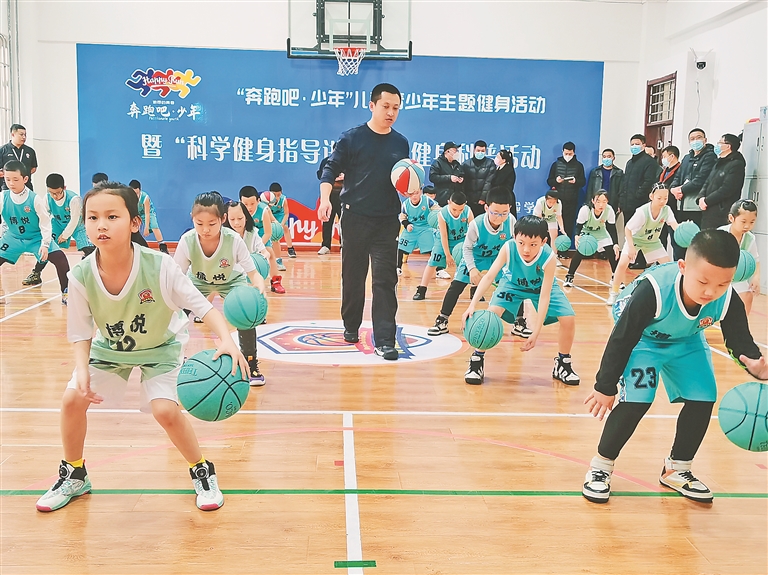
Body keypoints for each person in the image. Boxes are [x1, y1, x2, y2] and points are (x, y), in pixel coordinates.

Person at [35, 182, 250, 513]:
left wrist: (227, 340)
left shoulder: (160, 266)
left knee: (165, 411)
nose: (101, 225)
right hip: (110, 349)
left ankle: (202, 469)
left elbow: (203, 307)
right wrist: (81, 369)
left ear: (135, 222)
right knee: (72, 400)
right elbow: (80, 331)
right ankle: (74, 474)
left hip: (160, 347)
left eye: (112, 216)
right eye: (92, 217)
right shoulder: (80, 274)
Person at [583, 229, 767, 504]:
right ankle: (601, 466)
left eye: (723, 284)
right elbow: (623, 338)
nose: (711, 292)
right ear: (683, 267)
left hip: (686, 339)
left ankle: (677, 468)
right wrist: (605, 385)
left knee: (703, 397)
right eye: (703, 281)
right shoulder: (654, 290)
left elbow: (740, 339)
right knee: (638, 399)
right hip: (643, 337)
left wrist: (755, 364)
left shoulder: (727, 298)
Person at [318, 83, 410, 360]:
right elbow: (330, 169)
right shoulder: (351, 138)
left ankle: (385, 340)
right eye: (386, 106)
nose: (391, 112)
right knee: (353, 277)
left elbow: (401, 178)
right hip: (355, 217)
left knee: (385, 280)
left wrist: (410, 189)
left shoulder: (400, 143)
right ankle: (351, 325)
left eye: (396, 108)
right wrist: (325, 199)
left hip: (386, 220)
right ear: (372, 106)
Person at [461, 215, 579, 386]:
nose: (526, 249)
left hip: (540, 288)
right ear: (514, 237)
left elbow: (545, 295)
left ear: (543, 241)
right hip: (512, 284)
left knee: (568, 319)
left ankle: (563, 363)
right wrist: (472, 305)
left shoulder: (549, 257)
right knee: (490, 315)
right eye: (521, 242)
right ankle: (476, 360)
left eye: (533, 244)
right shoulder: (508, 248)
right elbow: (489, 276)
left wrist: (536, 332)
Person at [174, 191, 268, 386]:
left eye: (211, 224)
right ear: (192, 218)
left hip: (231, 281)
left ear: (223, 219)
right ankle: (175, 358)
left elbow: (253, 273)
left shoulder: (233, 240)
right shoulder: (187, 241)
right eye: (199, 223)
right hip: (198, 281)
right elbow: (176, 277)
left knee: (246, 312)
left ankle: (250, 362)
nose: (205, 229)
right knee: (175, 312)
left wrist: (259, 286)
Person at [427, 188, 521, 338]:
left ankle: (519, 322)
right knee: (456, 286)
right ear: (486, 208)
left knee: (514, 284)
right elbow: (467, 248)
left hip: (497, 257)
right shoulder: (476, 225)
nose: (499, 217)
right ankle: (442, 320)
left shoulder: (511, 221)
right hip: (475, 256)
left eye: (504, 213)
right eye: (495, 212)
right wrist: (471, 269)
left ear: (509, 208)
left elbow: (512, 245)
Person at [0, 161, 70, 304]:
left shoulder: (35, 199)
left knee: (60, 259)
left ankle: (66, 293)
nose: (11, 183)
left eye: (15, 179)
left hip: (36, 238)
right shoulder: (3, 197)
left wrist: (45, 244)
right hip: (13, 237)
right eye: (7, 179)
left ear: (25, 179)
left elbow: (45, 223)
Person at [608, 183, 679, 305]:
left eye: (665, 198)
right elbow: (628, 229)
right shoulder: (642, 212)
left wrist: (683, 230)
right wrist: (631, 247)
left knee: (668, 266)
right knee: (622, 264)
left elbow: (675, 226)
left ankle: (669, 296)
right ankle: (614, 293)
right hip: (635, 240)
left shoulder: (667, 210)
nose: (662, 201)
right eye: (659, 198)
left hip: (652, 241)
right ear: (651, 196)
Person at [21, 174, 94, 287]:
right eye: (52, 193)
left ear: (64, 188)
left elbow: (74, 220)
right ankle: (36, 274)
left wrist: (65, 235)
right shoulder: (47, 198)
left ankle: (91, 274)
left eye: (58, 193)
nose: (55, 196)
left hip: (77, 226)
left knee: (88, 249)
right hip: (58, 224)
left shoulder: (74, 199)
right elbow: (44, 217)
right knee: (47, 248)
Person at [413, 191, 473, 301]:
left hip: (460, 240)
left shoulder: (468, 211)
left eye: (460, 210)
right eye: (454, 209)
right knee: (433, 262)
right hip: (443, 240)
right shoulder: (443, 214)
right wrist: (448, 255)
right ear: (449, 202)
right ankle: (421, 289)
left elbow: (472, 232)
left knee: (470, 263)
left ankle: (474, 289)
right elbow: (444, 236)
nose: (457, 212)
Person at [669, 128, 717, 258]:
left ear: (705, 140)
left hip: (696, 208)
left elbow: (701, 179)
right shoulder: (686, 158)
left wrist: (681, 189)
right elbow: (677, 177)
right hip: (681, 206)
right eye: (692, 139)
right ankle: (679, 266)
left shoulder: (710, 156)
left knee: (696, 243)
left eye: (699, 137)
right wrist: (673, 189)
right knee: (679, 241)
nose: (695, 141)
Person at [618, 134, 659, 269]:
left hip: (639, 204)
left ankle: (641, 260)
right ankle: (630, 258)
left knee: (640, 233)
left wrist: (638, 195)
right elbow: (625, 183)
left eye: (637, 144)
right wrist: (621, 201)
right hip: (627, 204)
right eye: (632, 144)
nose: (634, 146)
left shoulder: (649, 162)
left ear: (643, 145)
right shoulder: (629, 163)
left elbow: (648, 182)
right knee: (629, 232)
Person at [564, 191, 619, 288]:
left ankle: (616, 277)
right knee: (580, 252)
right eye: (598, 201)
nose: (601, 205)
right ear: (593, 201)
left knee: (612, 251)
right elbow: (578, 226)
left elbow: (612, 228)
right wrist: (576, 236)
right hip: (587, 232)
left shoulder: (609, 210)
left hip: (601, 232)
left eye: (604, 201)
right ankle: (569, 276)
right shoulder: (585, 210)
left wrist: (615, 244)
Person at [239, 185, 284, 294]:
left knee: (270, 253)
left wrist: (258, 248)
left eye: (252, 203)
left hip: (262, 235)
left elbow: (268, 233)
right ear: (240, 202)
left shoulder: (263, 210)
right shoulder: (238, 211)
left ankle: (275, 281)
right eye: (245, 204)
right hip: (246, 234)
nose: (249, 207)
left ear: (258, 200)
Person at [696, 133, 746, 229]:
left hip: (722, 212)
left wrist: (707, 201)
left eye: (720, 142)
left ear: (728, 146)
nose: (717, 145)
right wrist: (701, 198)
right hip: (708, 210)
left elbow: (727, 189)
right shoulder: (719, 162)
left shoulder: (736, 164)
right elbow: (707, 182)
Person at [719, 199, 760, 315]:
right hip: (718, 277)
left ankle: (742, 323)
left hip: (737, 278)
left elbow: (756, 260)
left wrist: (756, 278)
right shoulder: (721, 234)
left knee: (747, 296)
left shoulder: (750, 238)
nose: (747, 226)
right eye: (743, 221)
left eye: (752, 222)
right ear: (731, 218)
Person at [546, 142, 586, 240]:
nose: (568, 156)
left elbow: (583, 182)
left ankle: (565, 246)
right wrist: (556, 181)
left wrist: (575, 181)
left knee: (568, 225)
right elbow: (549, 181)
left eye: (570, 154)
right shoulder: (556, 164)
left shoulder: (579, 166)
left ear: (574, 153)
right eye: (566, 153)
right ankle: (552, 246)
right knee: (553, 225)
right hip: (556, 200)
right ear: (562, 152)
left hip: (571, 201)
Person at [397, 185, 438, 275]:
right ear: (408, 194)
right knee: (401, 247)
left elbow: (438, 211)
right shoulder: (405, 204)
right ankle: (398, 268)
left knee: (433, 249)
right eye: (411, 194)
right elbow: (402, 217)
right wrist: (407, 225)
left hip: (426, 228)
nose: (414, 196)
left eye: (416, 193)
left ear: (421, 192)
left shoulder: (428, 201)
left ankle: (439, 270)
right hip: (412, 228)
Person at [129, 180, 169, 254]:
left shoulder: (145, 197)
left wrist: (146, 227)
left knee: (154, 226)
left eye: (136, 193)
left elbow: (147, 214)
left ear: (139, 190)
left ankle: (162, 246)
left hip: (148, 212)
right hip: (137, 213)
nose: (135, 195)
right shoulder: (129, 197)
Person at [316, 157, 343, 255]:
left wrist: (344, 176)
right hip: (329, 195)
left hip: (343, 195)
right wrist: (332, 177)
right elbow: (320, 175)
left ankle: (343, 246)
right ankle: (326, 246)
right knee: (327, 221)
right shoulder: (327, 161)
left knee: (344, 222)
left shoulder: (347, 161)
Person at [462, 140, 496, 216]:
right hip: (469, 201)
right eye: (478, 150)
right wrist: (465, 198)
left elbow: (489, 182)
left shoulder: (490, 164)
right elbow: (463, 183)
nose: (480, 152)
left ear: (485, 151)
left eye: (482, 151)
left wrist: (483, 198)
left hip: (483, 202)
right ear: (474, 150)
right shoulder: (466, 164)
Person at [265, 182, 296, 266]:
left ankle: (290, 248)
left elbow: (286, 214)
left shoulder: (283, 199)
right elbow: (265, 212)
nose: (277, 197)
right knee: (270, 230)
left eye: (279, 195)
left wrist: (281, 224)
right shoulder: (266, 199)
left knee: (285, 228)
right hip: (270, 214)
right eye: (274, 195)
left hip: (280, 214)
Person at [0, 124, 38, 192]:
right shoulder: (2, 150)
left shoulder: (30, 151)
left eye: (25, 135)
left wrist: (22, 175)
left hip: (26, 186)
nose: (24, 137)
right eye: (21, 134)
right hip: (8, 187)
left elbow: (33, 168)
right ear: (13, 134)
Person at [658, 146, 682, 250]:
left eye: (664, 156)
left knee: (674, 239)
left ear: (672, 156)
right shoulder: (664, 170)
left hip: (673, 208)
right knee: (660, 238)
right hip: (662, 208)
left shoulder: (680, 170)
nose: (663, 159)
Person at [586, 149, 623, 213]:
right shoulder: (595, 172)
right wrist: (588, 203)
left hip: (612, 202)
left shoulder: (619, 172)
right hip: (597, 201)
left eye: (609, 156)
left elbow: (621, 190)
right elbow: (590, 189)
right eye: (604, 156)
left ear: (613, 158)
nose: (606, 159)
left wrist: (620, 204)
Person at [429, 141, 465, 206]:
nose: (456, 152)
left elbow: (461, 174)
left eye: (457, 150)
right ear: (447, 151)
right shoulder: (438, 163)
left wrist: (461, 179)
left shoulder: (457, 164)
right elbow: (432, 177)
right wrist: (449, 178)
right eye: (454, 151)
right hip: (442, 198)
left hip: (455, 199)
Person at [488, 149, 517, 216]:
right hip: (497, 196)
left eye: (498, 157)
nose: (496, 158)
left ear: (504, 160)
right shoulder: (498, 168)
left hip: (505, 197)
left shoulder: (508, 169)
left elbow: (499, 182)